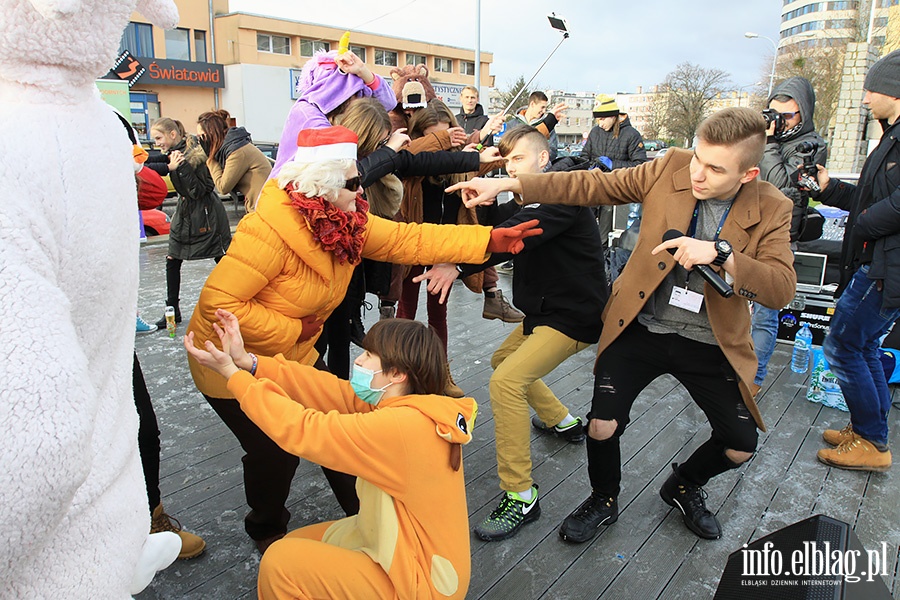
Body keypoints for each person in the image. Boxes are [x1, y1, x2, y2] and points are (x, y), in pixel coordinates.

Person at [184, 125, 539, 553]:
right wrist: (297, 328)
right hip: (223, 357)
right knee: (275, 453)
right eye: (353, 183)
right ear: (324, 184)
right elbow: (217, 305)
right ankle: (266, 527)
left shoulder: (343, 221)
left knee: (349, 422)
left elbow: (411, 238)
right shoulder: (270, 232)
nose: (361, 191)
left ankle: (366, 522)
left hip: (292, 353)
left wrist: (486, 241)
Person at [448, 107, 796, 541]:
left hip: (710, 341)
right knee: (601, 425)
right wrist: (508, 181)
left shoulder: (773, 206)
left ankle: (685, 483)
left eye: (714, 168)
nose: (698, 175)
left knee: (740, 445)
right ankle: (603, 498)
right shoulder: (670, 166)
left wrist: (722, 255)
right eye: (697, 160)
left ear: (748, 175)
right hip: (641, 324)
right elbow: (592, 183)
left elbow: (781, 288)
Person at [185, 313, 476, 600]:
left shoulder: (399, 428)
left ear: (398, 373)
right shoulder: (410, 408)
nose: (359, 361)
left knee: (281, 564)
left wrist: (235, 378)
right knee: (296, 542)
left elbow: (305, 429)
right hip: (398, 543)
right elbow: (330, 390)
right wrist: (251, 364)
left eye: (369, 355)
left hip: (421, 581)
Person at [416, 126, 607, 541]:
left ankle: (521, 495)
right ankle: (564, 422)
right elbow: (494, 228)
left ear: (542, 159)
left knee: (506, 382)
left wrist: (456, 266)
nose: (510, 169)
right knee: (502, 362)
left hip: (574, 317)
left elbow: (510, 238)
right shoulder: (527, 199)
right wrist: (479, 203)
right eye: (506, 162)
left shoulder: (563, 193)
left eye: (518, 160)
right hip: (543, 314)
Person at [814, 50, 900, 472]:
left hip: (885, 268)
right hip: (879, 262)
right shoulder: (891, 137)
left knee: (843, 345)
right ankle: (869, 431)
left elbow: (885, 209)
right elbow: (869, 199)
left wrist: (865, 221)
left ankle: (873, 442)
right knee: (863, 345)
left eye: (871, 88)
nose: (864, 98)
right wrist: (830, 189)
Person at [396, 99, 509, 396]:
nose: (445, 145)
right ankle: (398, 372)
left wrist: (500, 143)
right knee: (405, 310)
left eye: (448, 135)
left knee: (438, 313)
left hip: (445, 248)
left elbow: (494, 159)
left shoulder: (461, 159)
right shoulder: (413, 158)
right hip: (414, 241)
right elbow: (406, 156)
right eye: (436, 136)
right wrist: (441, 139)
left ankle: (440, 373)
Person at [751, 77, 829, 385]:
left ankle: (754, 378)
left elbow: (783, 185)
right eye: (773, 114)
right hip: (746, 223)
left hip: (780, 232)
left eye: (787, 116)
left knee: (765, 311)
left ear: (804, 112)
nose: (779, 122)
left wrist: (768, 144)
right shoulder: (765, 137)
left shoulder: (811, 145)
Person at [149, 117, 232, 330]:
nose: (157, 143)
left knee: (221, 257)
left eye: (159, 138)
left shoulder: (197, 154)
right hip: (184, 212)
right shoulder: (172, 153)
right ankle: (172, 310)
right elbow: (150, 163)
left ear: (173, 134)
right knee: (172, 257)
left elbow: (200, 190)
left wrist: (181, 166)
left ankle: (235, 300)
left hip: (205, 213)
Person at [455, 85, 523, 323]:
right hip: (457, 192)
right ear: (461, 99)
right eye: (467, 97)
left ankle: (492, 293)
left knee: (486, 235)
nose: (471, 100)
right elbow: (450, 156)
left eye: (474, 97)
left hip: (479, 185)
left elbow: (491, 154)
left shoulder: (485, 120)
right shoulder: (453, 121)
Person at [271, 49, 396, 178]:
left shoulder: (337, 114)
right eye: (354, 92)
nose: (360, 100)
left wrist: (362, 71)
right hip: (287, 194)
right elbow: (341, 172)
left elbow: (389, 103)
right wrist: (389, 150)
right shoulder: (308, 115)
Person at [580, 94, 649, 260]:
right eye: (598, 119)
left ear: (613, 116)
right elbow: (584, 155)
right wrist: (589, 166)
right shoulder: (595, 132)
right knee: (584, 223)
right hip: (594, 186)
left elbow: (640, 165)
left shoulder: (631, 135)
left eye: (603, 119)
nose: (600, 123)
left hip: (615, 191)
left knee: (606, 226)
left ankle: (603, 257)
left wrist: (613, 165)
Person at [197, 109, 273, 213]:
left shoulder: (237, 152)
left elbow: (223, 187)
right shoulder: (234, 146)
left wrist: (211, 159)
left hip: (264, 209)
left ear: (212, 133)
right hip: (261, 206)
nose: (200, 141)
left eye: (202, 136)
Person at [506, 91, 566, 161]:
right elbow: (507, 149)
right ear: (532, 104)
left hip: (539, 169)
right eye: (542, 107)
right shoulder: (512, 124)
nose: (544, 111)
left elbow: (552, 151)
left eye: (545, 108)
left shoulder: (549, 127)